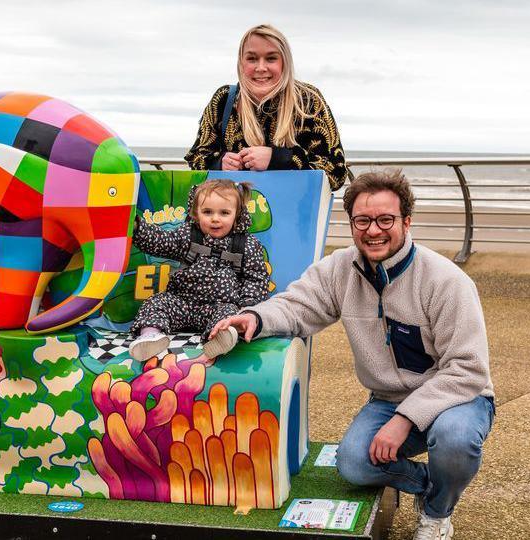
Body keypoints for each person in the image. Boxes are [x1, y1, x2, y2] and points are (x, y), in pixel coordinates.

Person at [210, 169, 494, 540]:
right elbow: (297, 306)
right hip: (388, 399)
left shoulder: (446, 280)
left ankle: (438, 513)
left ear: (406, 222)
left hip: (457, 399)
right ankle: (430, 488)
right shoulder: (340, 269)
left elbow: (467, 370)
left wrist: (405, 419)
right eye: (363, 220)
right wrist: (254, 318)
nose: (373, 230)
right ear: (352, 223)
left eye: (385, 219)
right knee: (354, 465)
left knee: (455, 441)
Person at [184, 24, 349, 191]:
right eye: (252, 58)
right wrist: (220, 164)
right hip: (232, 214)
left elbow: (336, 173)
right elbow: (197, 159)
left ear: (285, 62)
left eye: (271, 58)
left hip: (295, 213)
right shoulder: (223, 99)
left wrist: (277, 158)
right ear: (241, 63)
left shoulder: (308, 100)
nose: (261, 68)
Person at [127, 179, 270, 363]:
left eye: (224, 213)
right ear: (196, 213)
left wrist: (246, 308)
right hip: (182, 302)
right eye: (207, 212)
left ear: (237, 215)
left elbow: (255, 279)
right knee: (157, 302)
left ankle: (221, 338)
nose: (215, 218)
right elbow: (162, 242)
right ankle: (150, 337)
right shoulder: (188, 235)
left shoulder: (246, 245)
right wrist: (138, 229)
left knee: (229, 315)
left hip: (219, 305)